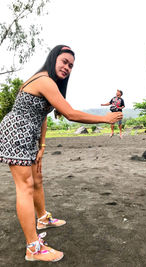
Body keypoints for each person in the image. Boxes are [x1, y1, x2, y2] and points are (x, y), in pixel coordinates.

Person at [0, 45, 123, 262]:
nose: (67, 67)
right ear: (53, 58)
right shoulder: (45, 80)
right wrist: (106, 119)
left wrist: (42, 146)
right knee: (25, 186)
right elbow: (70, 113)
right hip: (16, 131)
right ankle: (33, 248)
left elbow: (43, 115)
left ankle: (42, 218)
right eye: (64, 61)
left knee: (37, 178)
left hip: (30, 134)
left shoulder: (51, 84)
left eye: (71, 65)